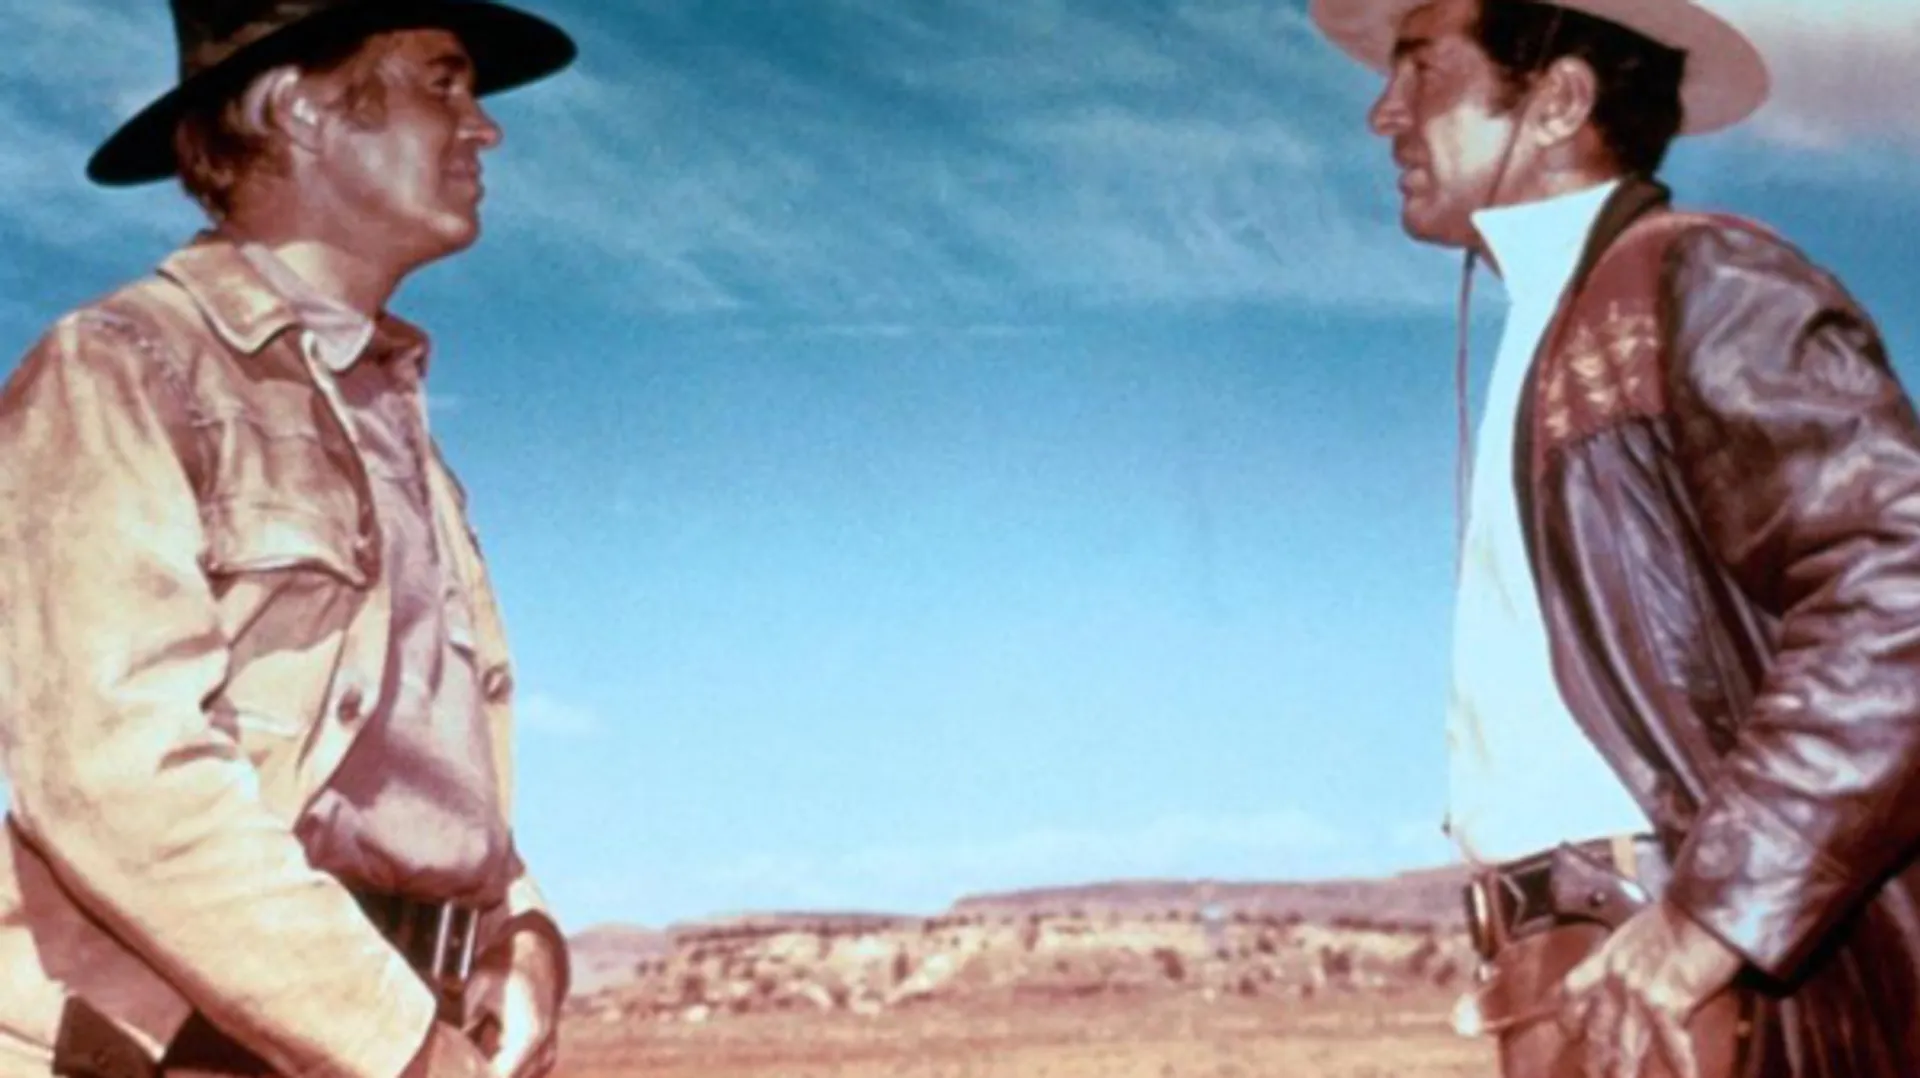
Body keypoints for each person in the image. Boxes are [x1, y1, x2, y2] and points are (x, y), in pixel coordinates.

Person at [1308, 0, 1920, 1075]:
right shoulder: (1564, 319)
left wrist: (1705, 922)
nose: (1382, 112)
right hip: (1593, 966)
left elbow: (1899, 587)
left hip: (1675, 968)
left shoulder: (1702, 279)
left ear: (1558, 102)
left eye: (1423, 71)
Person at [0, 2, 579, 1077]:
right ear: (299, 107)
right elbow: (116, 776)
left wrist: (518, 928)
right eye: (441, 81)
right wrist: (402, 1047)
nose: (484, 126)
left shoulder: (388, 415)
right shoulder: (120, 368)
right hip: (176, 1046)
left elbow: (396, 760)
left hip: (380, 1017)